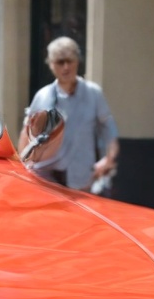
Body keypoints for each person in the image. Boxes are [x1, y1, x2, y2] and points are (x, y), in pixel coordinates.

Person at [17, 37, 119, 192]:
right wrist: (23, 167)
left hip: (82, 180)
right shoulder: (43, 96)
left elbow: (109, 129)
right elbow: (26, 133)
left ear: (77, 61)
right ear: (51, 65)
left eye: (69, 61)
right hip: (46, 179)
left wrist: (108, 159)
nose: (66, 67)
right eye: (60, 62)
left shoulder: (93, 93)